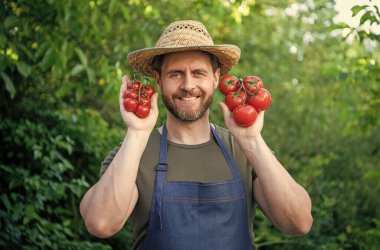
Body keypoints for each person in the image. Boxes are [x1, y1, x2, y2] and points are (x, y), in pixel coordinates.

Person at [80, 20, 313, 250]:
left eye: (199, 73)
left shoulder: (244, 151)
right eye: (176, 74)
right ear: (159, 81)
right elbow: (101, 223)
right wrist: (137, 132)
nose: (188, 85)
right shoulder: (132, 155)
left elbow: (298, 222)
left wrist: (252, 140)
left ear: (215, 78)